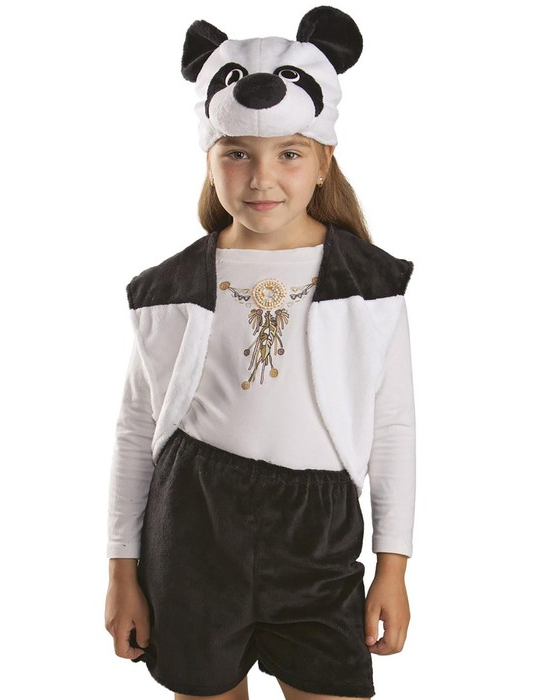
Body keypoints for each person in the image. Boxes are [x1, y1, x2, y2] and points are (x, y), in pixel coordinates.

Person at [104, 6, 416, 700]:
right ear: (210, 159)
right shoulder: (168, 291)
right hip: (194, 530)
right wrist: (122, 572)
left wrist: (392, 566)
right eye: (237, 153)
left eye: (289, 154)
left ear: (324, 159)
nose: (261, 177)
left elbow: (392, 428)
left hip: (318, 537)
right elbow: (135, 430)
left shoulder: (369, 286)